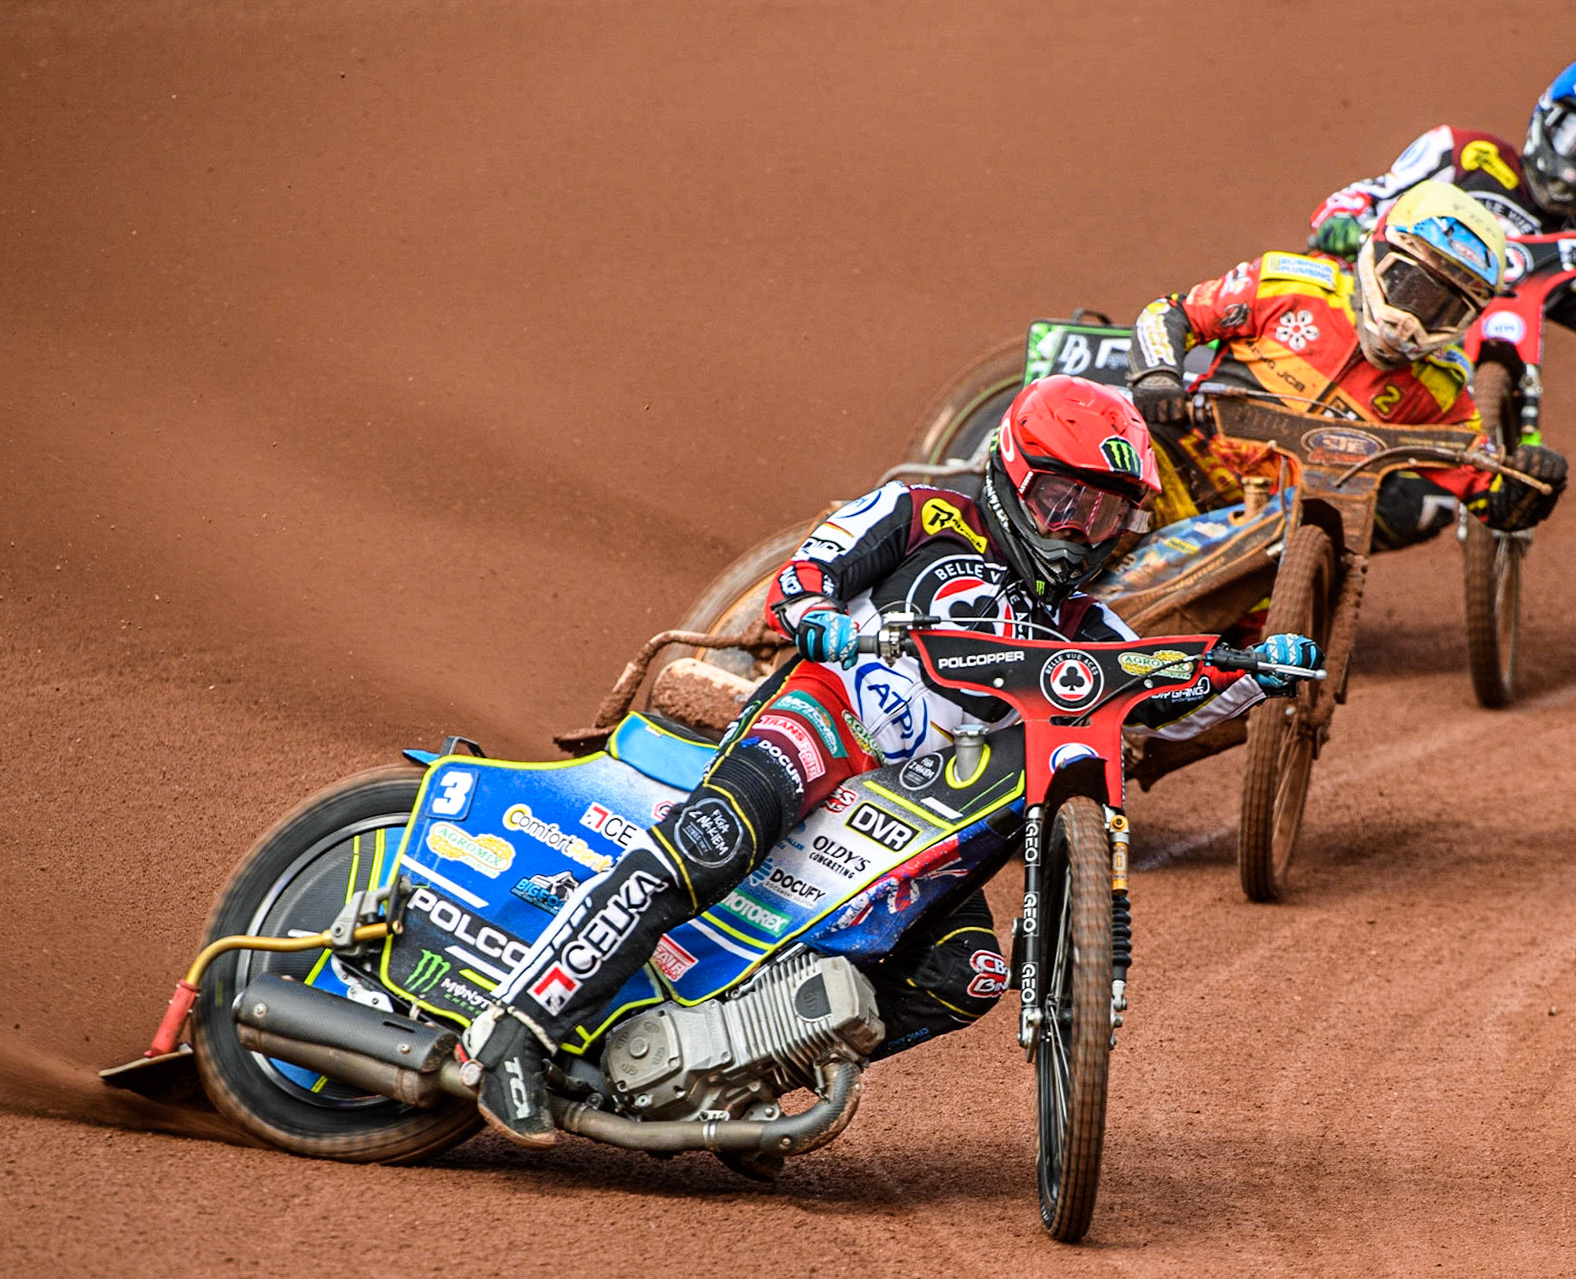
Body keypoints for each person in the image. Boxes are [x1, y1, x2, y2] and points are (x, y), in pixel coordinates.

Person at [461, 374, 1325, 1146]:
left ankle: (751, 1078)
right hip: (827, 725)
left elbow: (1165, 691)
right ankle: (513, 1026)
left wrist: (1261, 672)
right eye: (1063, 498)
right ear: (1015, 473)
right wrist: (815, 613)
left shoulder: (1088, 630)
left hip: (921, 818)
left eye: (1100, 512)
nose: (1076, 530)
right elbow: (807, 571)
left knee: (970, 974)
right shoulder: (920, 512)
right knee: (713, 840)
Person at [1129, 179, 1567, 551]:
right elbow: (1172, 313)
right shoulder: (1292, 284)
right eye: (1411, 287)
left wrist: (1533, 483)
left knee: (1250, 649)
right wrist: (1158, 377)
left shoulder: (1441, 388)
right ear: (1380, 253)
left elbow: (1489, 498)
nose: (1414, 317)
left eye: (1443, 308)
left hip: (1265, 543)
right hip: (1177, 467)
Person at [1307, 56, 1576, 360]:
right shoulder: (1463, 155)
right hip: (1363, 319)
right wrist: (1342, 223)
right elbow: (1368, 197)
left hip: (1462, 365)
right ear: (1546, 120)